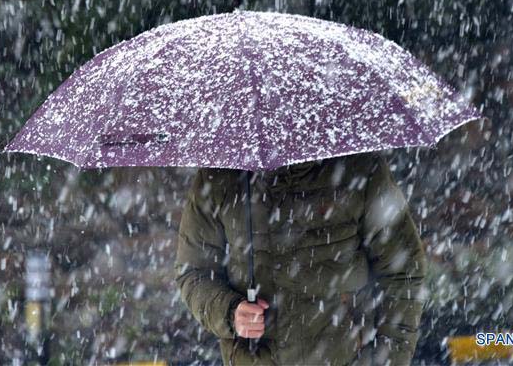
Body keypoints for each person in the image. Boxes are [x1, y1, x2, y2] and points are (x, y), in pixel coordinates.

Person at [174, 152, 427, 365]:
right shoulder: (220, 176)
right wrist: (230, 312)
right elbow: (194, 271)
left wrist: (388, 359)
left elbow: (403, 269)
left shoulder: (358, 165)